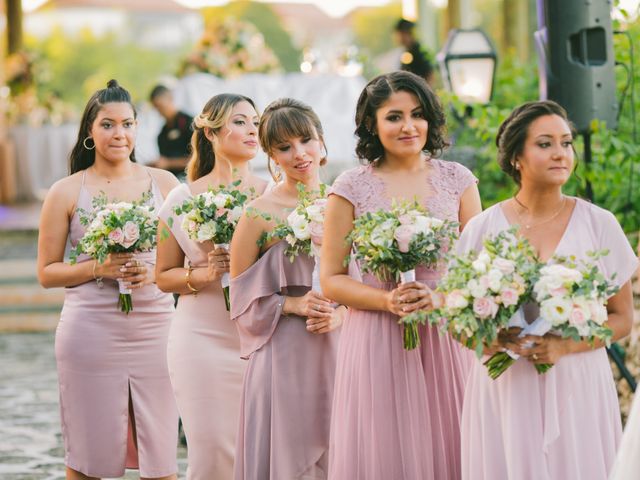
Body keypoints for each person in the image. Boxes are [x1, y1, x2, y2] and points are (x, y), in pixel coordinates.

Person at [456, 100, 637, 480]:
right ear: (516, 157)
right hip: (506, 385)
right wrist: (486, 340)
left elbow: (622, 319)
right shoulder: (482, 228)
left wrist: (564, 346)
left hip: (577, 381)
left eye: (566, 143)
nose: (560, 153)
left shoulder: (599, 224)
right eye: (545, 144)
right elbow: (458, 318)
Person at [321, 70, 482, 479]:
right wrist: (386, 300)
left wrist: (440, 298)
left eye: (417, 114)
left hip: (446, 334)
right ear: (372, 125)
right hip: (376, 335)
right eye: (394, 117)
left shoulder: (458, 181)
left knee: (455, 443)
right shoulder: (350, 187)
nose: (409, 126)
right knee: (385, 451)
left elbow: (477, 269)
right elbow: (332, 279)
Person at [37, 79, 180, 480]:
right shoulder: (65, 191)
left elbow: (186, 262)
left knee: (162, 458)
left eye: (128, 124)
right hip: (91, 332)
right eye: (108, 125)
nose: (120, 134)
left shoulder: (165, 185)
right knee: (88, 456)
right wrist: (97, 268)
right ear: (89, 131)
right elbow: (47, 273)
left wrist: (156, 273)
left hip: (157, 329)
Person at [230, 98, 344, 479]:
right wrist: (291, 305)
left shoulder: (346, 203)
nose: (299, 154)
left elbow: (368, 279)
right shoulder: (258, 214)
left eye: (306, 140)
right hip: (283, 352)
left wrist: (342, 312)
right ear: (270, 154)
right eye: (284, 147)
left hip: (342, 348)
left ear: (322, 140)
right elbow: (238, 296)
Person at [155, 93, 267, 479]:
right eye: (240, 121)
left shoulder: (271, 194)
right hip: (199, 338)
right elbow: (163, 275)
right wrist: (201, 276)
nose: (252, 129)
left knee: (260, 452)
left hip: (261, 338)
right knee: (212, 452)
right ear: (212, 131)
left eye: (255, 121)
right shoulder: (182, 198)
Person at [150, 85, 193, 179]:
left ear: (170, 98)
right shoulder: (161, 134)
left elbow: (199, 159)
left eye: (161, 106)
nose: (159, 112)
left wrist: (169, 163)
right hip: (172, 181)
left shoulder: (190, 124)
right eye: (156, 108)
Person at [395, 19, 435, 86]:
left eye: (402, 34)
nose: (399, 38)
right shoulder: (407, 51)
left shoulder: (419, 52)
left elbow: (430, 76)